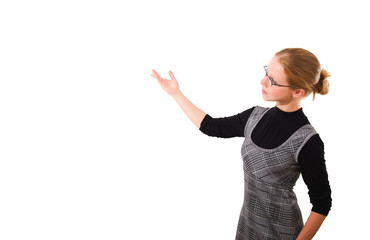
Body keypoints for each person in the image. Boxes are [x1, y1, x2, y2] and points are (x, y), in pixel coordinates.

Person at [151, 48, 332, 240]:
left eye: (272, 80)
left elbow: (322, 203)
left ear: (298, 91)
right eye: (266, 73)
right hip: (248, 227)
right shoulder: (254, 116)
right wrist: (175, 93)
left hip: (283, 234)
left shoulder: (307, 141)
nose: (262, 81)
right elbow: (212, 127)